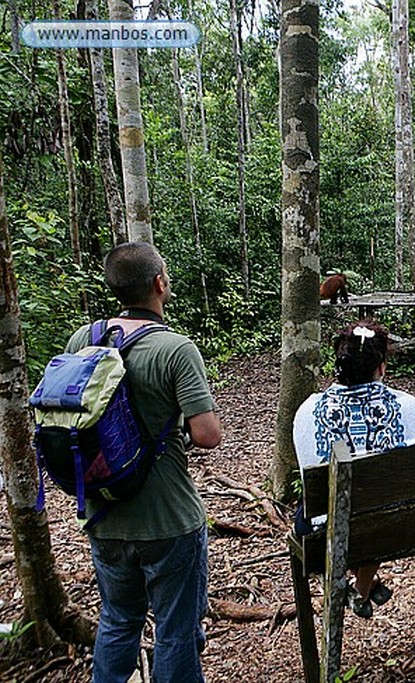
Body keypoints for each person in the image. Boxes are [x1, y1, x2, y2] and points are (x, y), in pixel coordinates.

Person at [64, 242, 222, 682]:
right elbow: (208, 435)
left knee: (117, 621)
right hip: (168, 518)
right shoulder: (175, 348)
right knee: (175, 632)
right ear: (159, 283)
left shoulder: (83, 339)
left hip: (104, 512)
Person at [292, 319, 415, 617]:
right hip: (390, 527)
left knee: (323, 508)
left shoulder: (308, 411)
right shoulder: (408, 407)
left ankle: (354, 586)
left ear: (340, 365)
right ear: (382, 367)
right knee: (378, 508)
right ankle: (362, 587)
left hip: (325, 533)